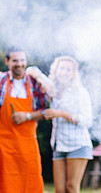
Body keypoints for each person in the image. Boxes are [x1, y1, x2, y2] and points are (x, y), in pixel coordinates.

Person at [0, 47, 48, 192]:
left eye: (22, 60)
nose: (19, 64)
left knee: (31, 182)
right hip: (3, 144)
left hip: (28, 144)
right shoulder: (1, 81)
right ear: (7, 61)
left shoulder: (35, 83)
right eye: (15, 60)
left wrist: (27, 116)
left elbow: (45, 111)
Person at [43, 56, 93, 193]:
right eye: (62, 68)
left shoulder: (80, 92)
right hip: (59, 145)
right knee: (59, 190)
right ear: (56, 70)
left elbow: (87, 120)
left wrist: (61, 113)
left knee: (71, 187)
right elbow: (32, 70)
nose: (64, 72)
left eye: (68, 70)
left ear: (73, 74)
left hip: (78, 145)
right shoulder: (53, 91)